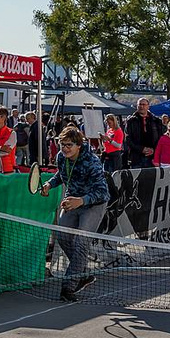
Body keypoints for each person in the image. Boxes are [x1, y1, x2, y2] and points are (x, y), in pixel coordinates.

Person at [40, 126, 110, 302]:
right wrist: (49, 184)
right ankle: (83, 273)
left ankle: (68, 287)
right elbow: (60, 175)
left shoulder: (92, 162)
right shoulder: (61, 158)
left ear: (79, 145)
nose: (65, 148)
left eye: (69, 145)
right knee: (62, 237)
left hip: (94, 204)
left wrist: (82, 200)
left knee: (81, 243)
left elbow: (103, 192)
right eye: (62, 144)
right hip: (72, 202)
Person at [125, 98, 163, 168]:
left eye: (144, 104)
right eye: (140, 104)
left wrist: (153, 150)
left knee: (152, 178)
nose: (141, 106)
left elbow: (161, 138)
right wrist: (141, 149)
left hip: (153, 157)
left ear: (148, 106)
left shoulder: (156, 121)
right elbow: (128, 139)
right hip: (136, 157)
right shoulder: (130, 121)